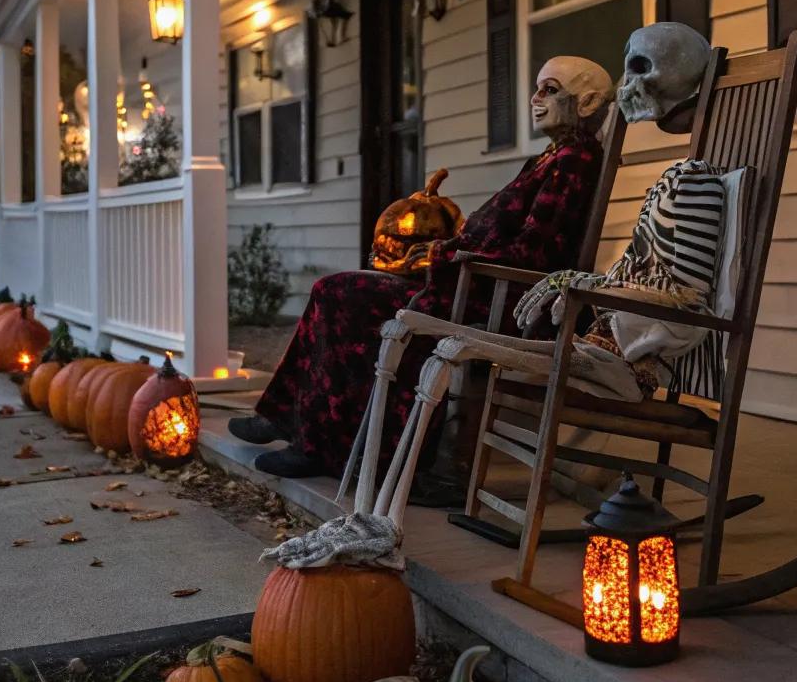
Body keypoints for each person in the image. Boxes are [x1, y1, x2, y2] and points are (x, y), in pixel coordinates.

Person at [228, 56, 614, 478]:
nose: (536, 99)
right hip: (468, 284)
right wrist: (439, 252)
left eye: (551, 90)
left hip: (492, 301)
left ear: (588, 102)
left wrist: (440, 257)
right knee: (339, 289)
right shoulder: (549, 158)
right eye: (537, 88)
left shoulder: (573, 162)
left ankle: (323, 446)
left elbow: (533, 254)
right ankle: (288, 419)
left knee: (338, 294)